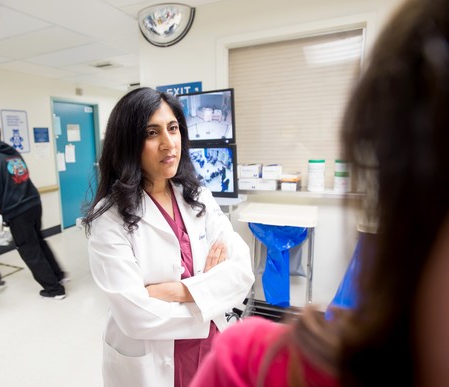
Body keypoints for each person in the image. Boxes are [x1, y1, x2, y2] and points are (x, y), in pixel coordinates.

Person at [189, 0, 449, 385]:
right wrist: (194, 287)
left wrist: (189, 288)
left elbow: (240, 268)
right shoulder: (245, 362)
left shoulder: (254, 360)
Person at [82, 87, 254, 387]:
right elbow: (136, 316)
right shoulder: (108, 218)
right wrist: (209, 294)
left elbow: (241, 273)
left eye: (173, 128)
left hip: (209, 350)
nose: (168, 143)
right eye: (152, 132)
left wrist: (177, 291)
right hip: (150, 365)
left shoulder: (197, 196)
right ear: (128, 143)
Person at [0, 121, 67, 300]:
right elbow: (14, 181)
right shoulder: (11, 153)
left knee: (29, 249)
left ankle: (54, 289)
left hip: (18, 210)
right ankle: (58, 275)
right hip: (33, 203)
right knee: (38, 242)